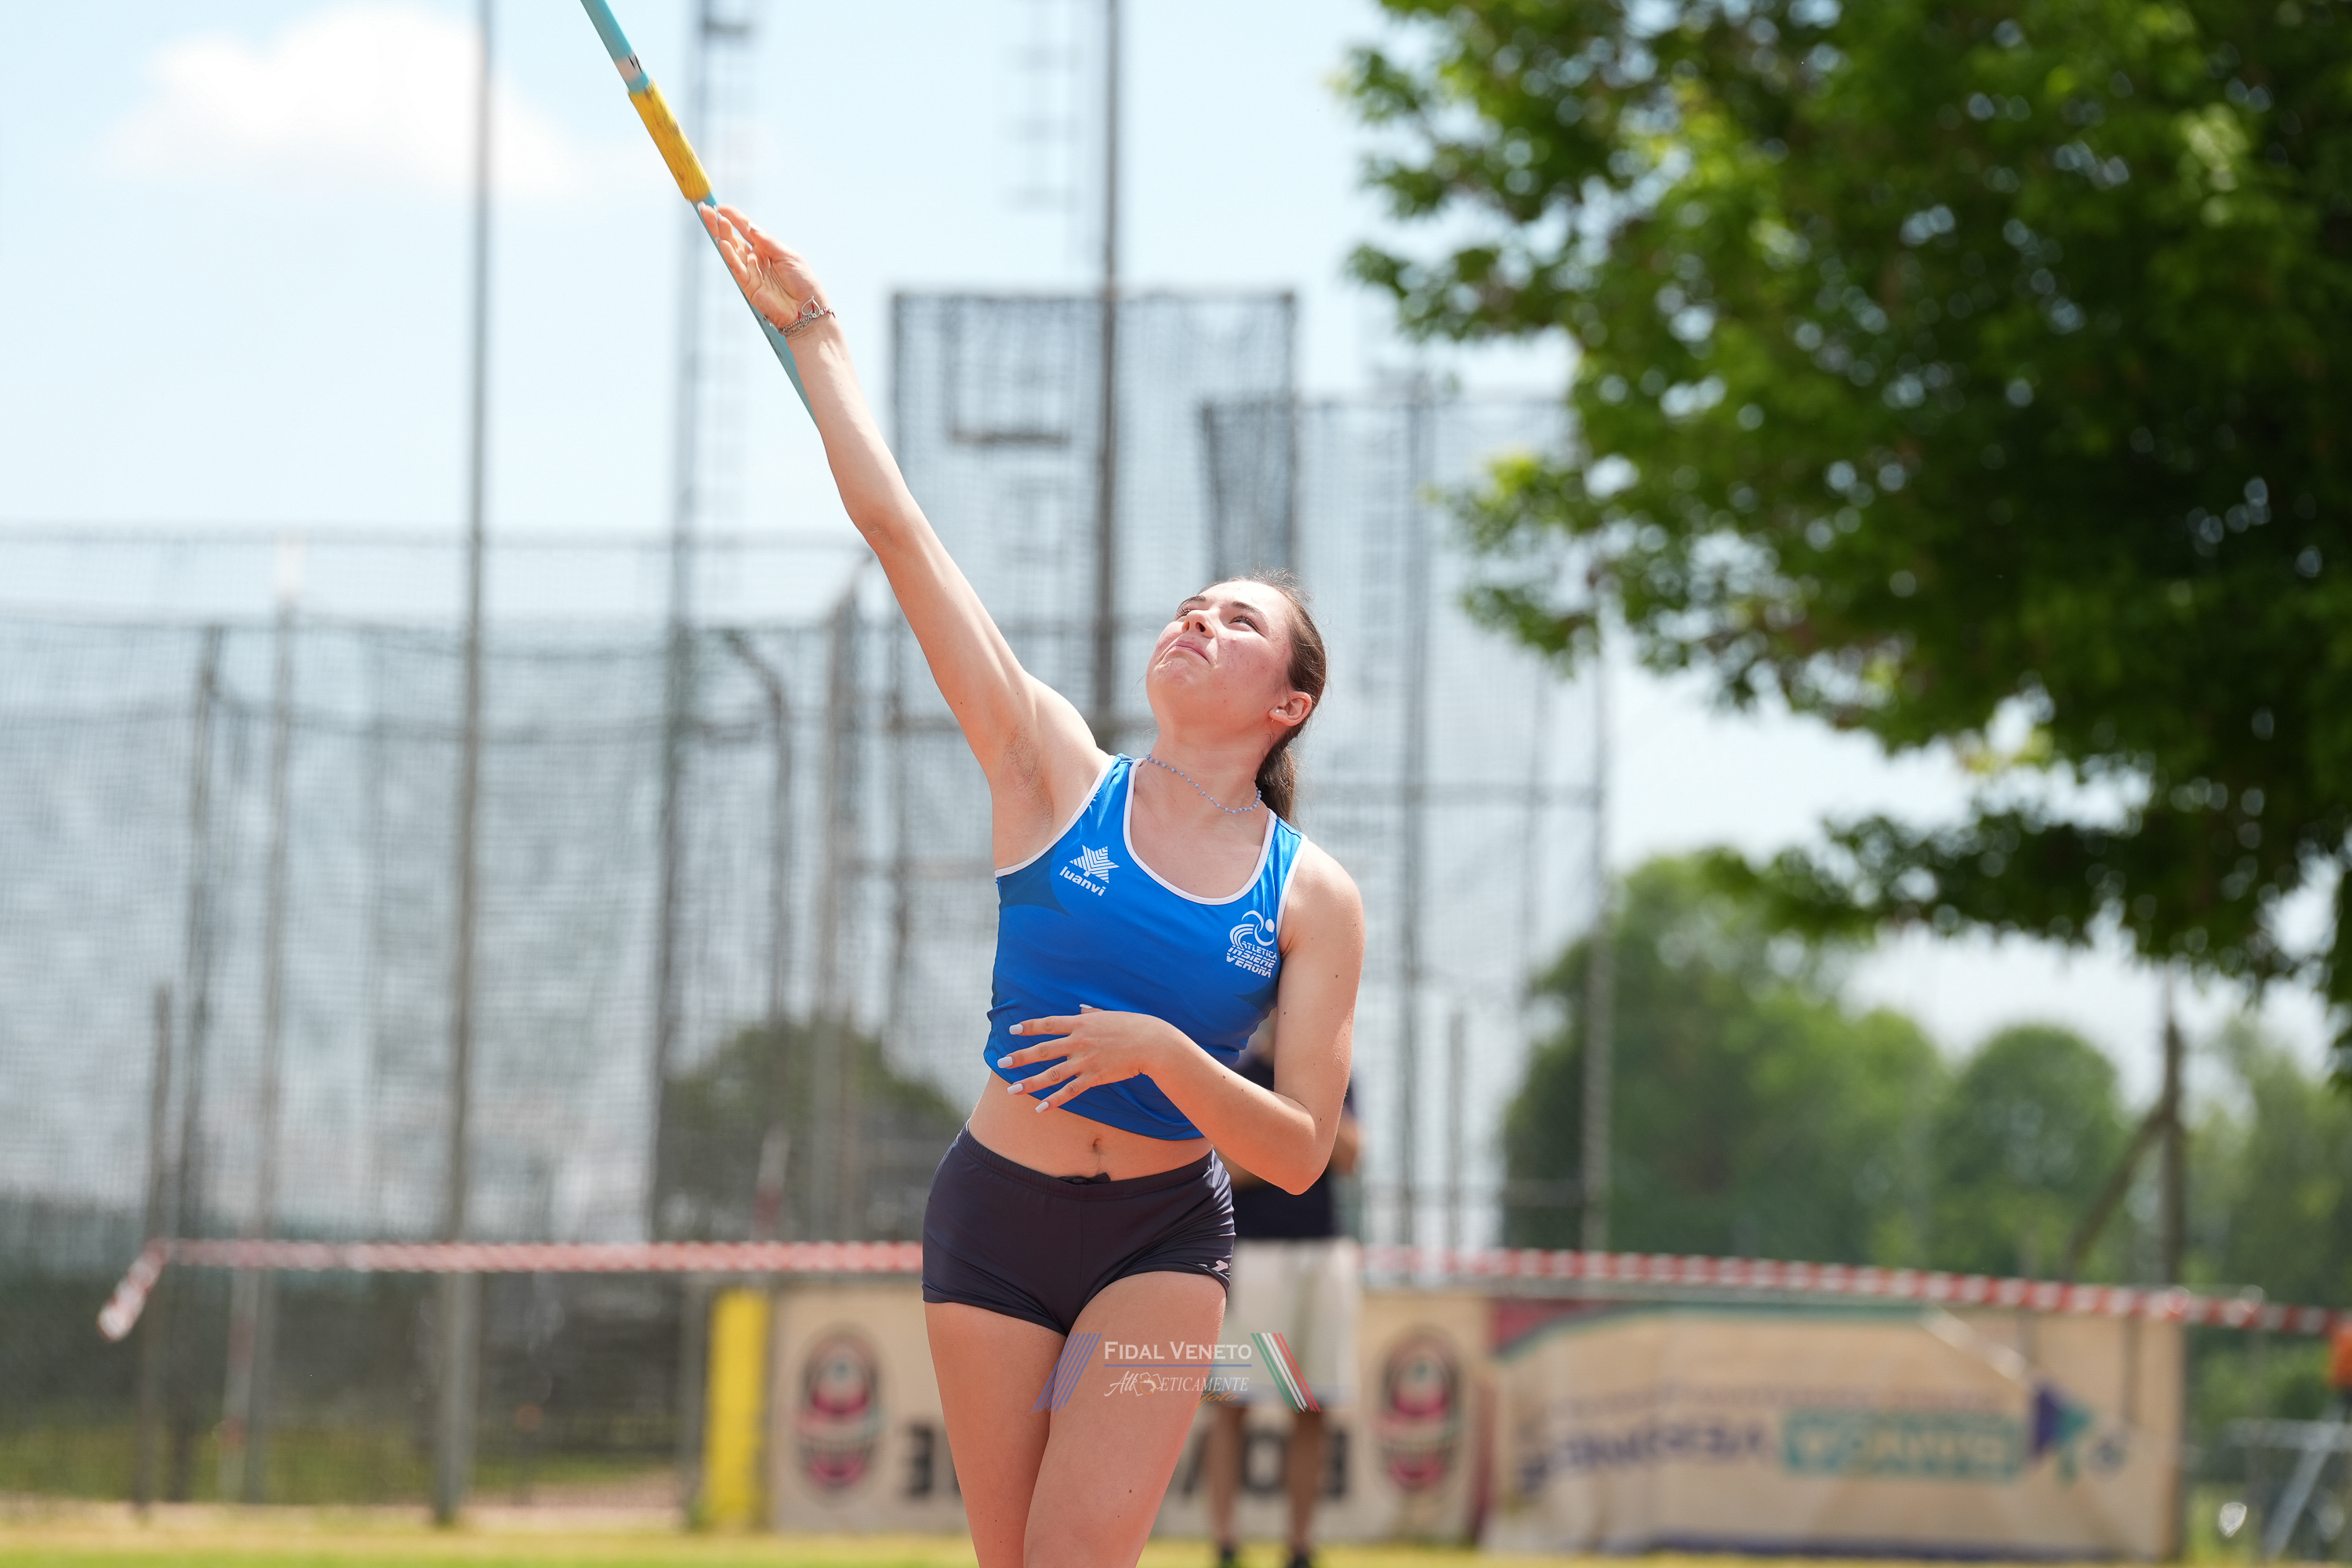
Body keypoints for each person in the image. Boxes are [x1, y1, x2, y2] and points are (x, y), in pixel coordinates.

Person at [699, 205, 1365, 1568]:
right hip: (994, 1216)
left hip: (1163, 1237)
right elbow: (900, 535)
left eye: (1236, 620)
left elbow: (1301, 1148)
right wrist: (815, 333)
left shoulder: (1313, 895)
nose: (1197, 619)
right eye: (1190, 606)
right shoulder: (1052, 766)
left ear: (1288, 704)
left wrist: (1160, 1053)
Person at [1204, 1024, 1361, 1568]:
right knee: (1233, 1403)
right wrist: (1298, 1142)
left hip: (1322, 1253)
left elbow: (1349, 1156)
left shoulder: (1333, 1074)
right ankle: (1226, 1543)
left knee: (1313, 1403)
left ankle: (1300, 1547)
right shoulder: (1237, 1073)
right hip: (1254, 1256)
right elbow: (1225, 1167)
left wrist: (1310, 1111)